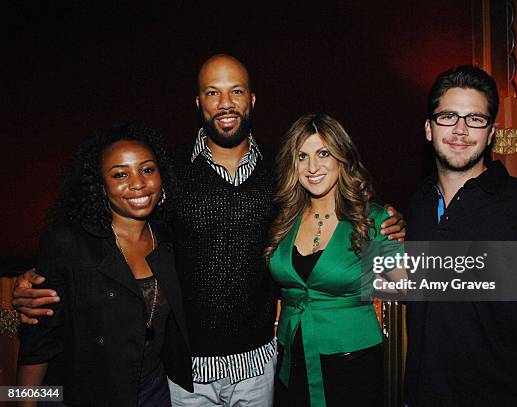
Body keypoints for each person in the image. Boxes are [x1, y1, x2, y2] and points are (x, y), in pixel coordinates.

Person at [13, 55, 406, 407]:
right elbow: (48, 327)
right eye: (212, 93)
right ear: (198, 103)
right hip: (182, 374)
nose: (225, 103)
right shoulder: (169, 170)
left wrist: (385, 223)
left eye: (236, 91)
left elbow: (404, 279)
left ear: (252, 100)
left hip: (273, 367)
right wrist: (38, 281)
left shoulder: (280, 173)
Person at [403, 66, 517, 407]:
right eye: (448, 116)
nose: (460, 129)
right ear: (429, 128)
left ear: (491, 132)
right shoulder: (419, 204)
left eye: (475, 119)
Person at [17, 123, 192, 406]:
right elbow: (39, 341)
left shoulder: (170, 239)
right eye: (120, 174)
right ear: (100, 186)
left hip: (153, 391)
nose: (138, 183)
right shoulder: (69, 242)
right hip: (82, 395)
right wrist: (22, 403)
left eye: (147, 169)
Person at [267, 114, 386, 407]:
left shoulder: (371, 221)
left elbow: (409, 286)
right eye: (302, 156)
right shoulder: (283, 220)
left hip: (352, 364)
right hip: (290, 360)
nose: (312, 167)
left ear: (343, 158)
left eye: (323, 153)